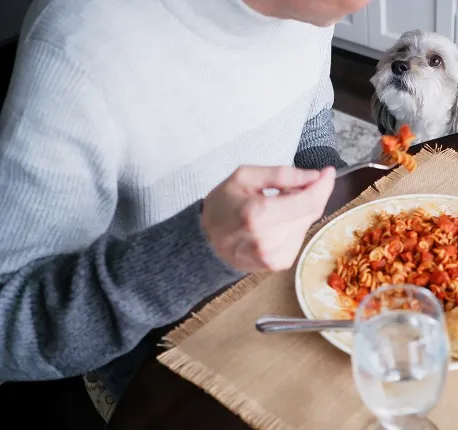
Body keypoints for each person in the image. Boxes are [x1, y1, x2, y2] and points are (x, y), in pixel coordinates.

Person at [0, 0, 371, 404]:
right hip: (149, 354)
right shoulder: (79, 47)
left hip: (278, 292)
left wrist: (324, 173)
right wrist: (200, 247)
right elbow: (8, 329)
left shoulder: (314, 12)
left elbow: (308, 112)